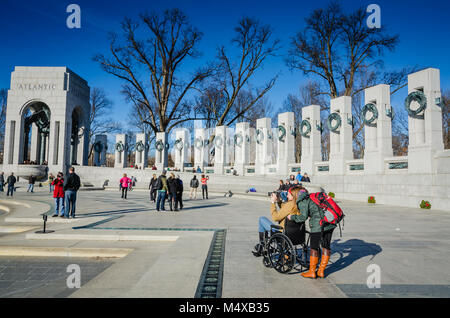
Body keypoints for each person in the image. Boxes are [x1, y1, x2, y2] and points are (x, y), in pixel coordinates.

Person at [288, 188, 336, 279]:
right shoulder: (313, 197)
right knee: (326, 246)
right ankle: (321, 271)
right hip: (330, 223)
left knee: (314, 248)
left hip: (318, 225)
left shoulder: (302, 200)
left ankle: (312, 272)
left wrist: (292, 217)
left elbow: (303, 217)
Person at [253, 186, 302, 257]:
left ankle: (262, 246)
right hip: (295, 232)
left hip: (282, 231)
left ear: (293, 195)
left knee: (262, 219)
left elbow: (276, 217)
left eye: (289, 194)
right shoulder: (298, 204)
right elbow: (285, 210)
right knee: (263, 220)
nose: (287, 196)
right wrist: (279, 201)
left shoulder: (290, 205)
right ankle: (262, 245)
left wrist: (273, 202)